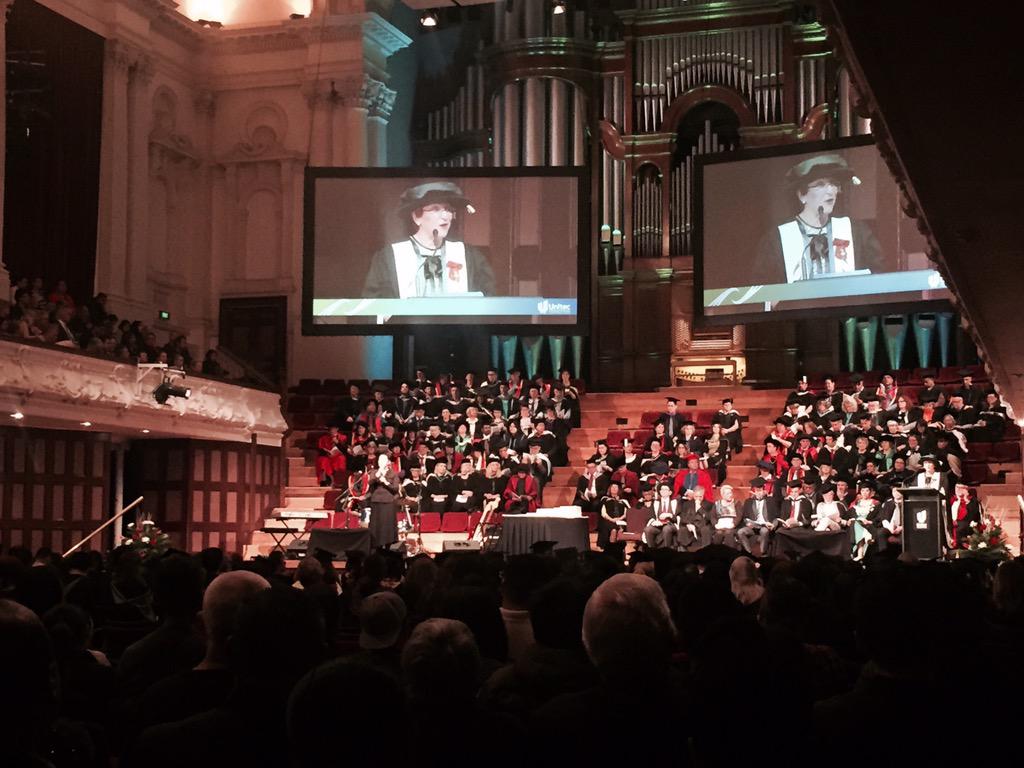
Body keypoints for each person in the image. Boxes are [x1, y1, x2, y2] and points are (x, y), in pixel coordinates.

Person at [752, 153, 885, 285]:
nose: (831, 191)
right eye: (820, 184)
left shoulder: (856, 232)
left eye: (834, 184)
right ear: (801, 195)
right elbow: (763, 287)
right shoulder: (777, 238)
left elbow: (879, 277)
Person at [362, 182, 495, 298]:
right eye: (436, 209)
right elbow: (373, 304)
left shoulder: (470, 256)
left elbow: (489, 300)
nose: (445, 216)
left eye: (448, 210)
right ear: (416, 217)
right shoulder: (389, 258)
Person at [738, 477, 778, 554]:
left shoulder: (771, 501)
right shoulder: (748, 502)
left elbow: (776, 516)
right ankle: (749, 552)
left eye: (760, 490)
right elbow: (745, 517)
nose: (759, 492)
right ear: (754, 491)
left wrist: (773, 525)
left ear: (764, 490)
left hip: (765, 526)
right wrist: (747, 523)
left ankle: (762, 553)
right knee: (740, 532)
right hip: (753, 527)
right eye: (757, 491)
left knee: (764, 531)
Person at [368, 454, 400, 547]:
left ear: (387, 462)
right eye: (380, 461)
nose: (381, 462)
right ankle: (375, 544)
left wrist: (385, 482)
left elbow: (395, 489)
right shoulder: (374, 472)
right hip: (376, 501)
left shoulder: (393, 473)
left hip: (388, 501)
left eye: (383, 461)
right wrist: (376, 476)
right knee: (375, 524)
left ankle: (388, 543)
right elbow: (370, 484)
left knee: (387, 524)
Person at [643, 482, 679, 550]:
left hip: (671, 524)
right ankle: (652, 551)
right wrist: (654, 522)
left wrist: (670, 515)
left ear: (670, 492)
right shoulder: (656, 502)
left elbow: (677, 518)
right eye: (662, 489)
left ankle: (666, 551)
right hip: (658, 526)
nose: (663, 491)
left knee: (666, 528)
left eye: (665, 489)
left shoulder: (675, 502)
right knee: (647, 529)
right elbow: (651, 516)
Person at [948, 483, 981, 549]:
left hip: (967, 524)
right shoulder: (952, 500)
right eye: (957, 489)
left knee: (961, 528)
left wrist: (966, 500)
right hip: (952, 524)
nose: (958, 491)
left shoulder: (972, 501)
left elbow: (974, 516)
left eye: (961, 489)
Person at [597, 481, 629, 550]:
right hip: (608, 520)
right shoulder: (605, 499)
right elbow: (603, 513)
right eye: (612, 487)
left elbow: (627, 513)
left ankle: (618, 550)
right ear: (609, 489)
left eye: (616, 487)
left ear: (619, 489)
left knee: (620, 530)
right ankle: (611, 550)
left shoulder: (624, 501)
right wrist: (612, 519)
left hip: (621, 521)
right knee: (614, 530)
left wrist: (620, 518)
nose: (614, 488)